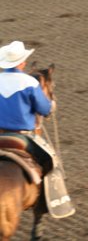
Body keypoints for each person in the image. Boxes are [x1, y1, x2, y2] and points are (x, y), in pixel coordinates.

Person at [0, 40, 54, 168]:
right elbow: (44, 109)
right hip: (23, 137)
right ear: (22, 63)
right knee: (50, 163)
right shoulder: (29, 83)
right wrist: (51, 105)